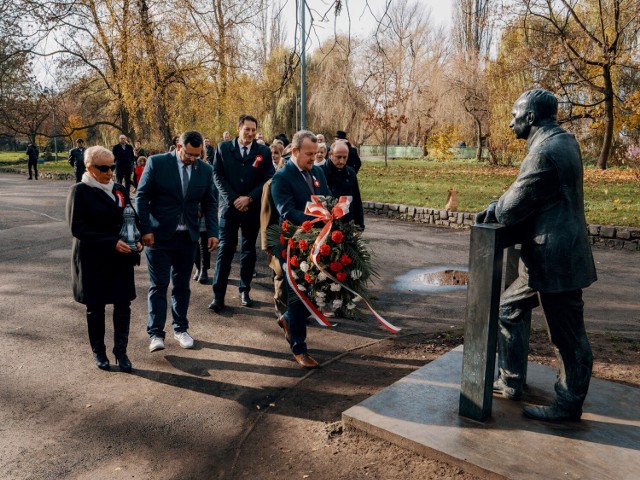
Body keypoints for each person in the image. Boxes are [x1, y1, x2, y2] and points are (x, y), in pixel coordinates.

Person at [476, 89, 597, 422]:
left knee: (568, 336)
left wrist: (492, 210)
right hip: (547, 253)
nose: (510, 119)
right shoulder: (565, 141)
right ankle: (510, 381)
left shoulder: (544, 151)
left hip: (555, 259)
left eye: (515, 113)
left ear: (531, 117)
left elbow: (513, 207)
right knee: (509, 308)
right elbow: (534, 194)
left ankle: (568, 404)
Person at [136, 131, 219, 352]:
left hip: (187, 237)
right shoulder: (157, 163)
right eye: (189, 154)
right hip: (158, 237)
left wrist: (213, 232)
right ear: (178, 146)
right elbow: (141, 197)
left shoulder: (205, 169)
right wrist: (145, 230)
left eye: (197, 155)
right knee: (159, 285)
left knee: (182, 286)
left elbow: (210, 202)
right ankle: (155, 334)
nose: (193, 159)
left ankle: (181, 329)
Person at [66, 146, 142, 372]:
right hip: (93, 260)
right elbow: (77, 227)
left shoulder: (118, 189)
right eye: (104, 168)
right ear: (89, 167)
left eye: (113, 167)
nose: (110, 172)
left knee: (122, 305)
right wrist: (110, 241)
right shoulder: (80, 191)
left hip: (120, 259)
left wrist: (137, 238)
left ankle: (121, 351)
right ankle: (99, 351)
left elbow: (132, 218)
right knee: (95, 307)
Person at [271, 130, 331, 369]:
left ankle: (287, 320)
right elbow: (287, 212)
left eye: (316, 154)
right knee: (298, 299)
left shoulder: (317, 171)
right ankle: (299, 349)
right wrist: (317, 219)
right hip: (293, 246)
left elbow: (325, 198)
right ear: (294, 151)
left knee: (320, 294)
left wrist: (334, 210)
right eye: (309, 154)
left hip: (319, 243)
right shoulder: (282, 178)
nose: (313, 159)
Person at [208, 115, 274, 313]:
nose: (251, 133)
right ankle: (218, 295)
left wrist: (250, 198)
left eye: (254, 130)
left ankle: (245, 289)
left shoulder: (262, 151)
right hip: (229, 208)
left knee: (248, 251)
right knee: (225, 250)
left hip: (251, 209)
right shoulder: (223, 148)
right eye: (247, 129)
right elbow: (217, 174)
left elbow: (268, 177)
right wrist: (233, 198)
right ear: (239, 129)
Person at [260, 143, 287, 318]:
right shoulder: (271, 184)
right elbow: (266, 215)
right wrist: (267, 243)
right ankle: (282, 311)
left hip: (296, 238)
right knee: (280, 275)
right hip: (277, 237)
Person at [321, 141, 364, 230]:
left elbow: (356, 199)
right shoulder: (321, 172)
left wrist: (360, 224)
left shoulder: (350, 173)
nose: (342, 161)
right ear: (330, 155)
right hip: (326, 224)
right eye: (338, 157)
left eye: (345, 157)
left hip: (347, 223)